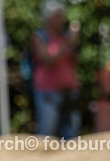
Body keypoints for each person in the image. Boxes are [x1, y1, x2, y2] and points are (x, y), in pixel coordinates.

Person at [31, 0, 80, 139]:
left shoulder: (63, 36)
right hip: (48, 94)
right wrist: (69, 41)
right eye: (58, 16)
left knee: (72, 138)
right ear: (48, 18)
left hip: (69, 91)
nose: (62, 19)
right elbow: (48, 61)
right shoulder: (39, 36)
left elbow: (74, 61)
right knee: (46, 136)